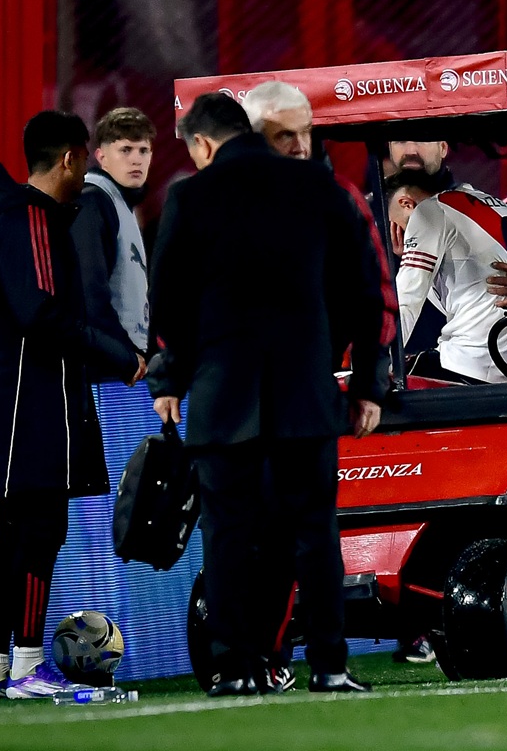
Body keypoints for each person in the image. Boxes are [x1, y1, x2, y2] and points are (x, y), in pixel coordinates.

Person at [148, 92, 387, 695]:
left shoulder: (190, 196)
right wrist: (363, 383)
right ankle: (330, 665)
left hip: (223, 396)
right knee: (314, 532)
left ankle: (235, 668)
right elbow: (363, 293)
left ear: (202, 144)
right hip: (306, 393)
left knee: (227, 534)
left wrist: (173, 377)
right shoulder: (322, 191)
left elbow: (169, 302)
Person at [0, 111, 143, 700]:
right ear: (69, 157)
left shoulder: (13, 219)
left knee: (12, 533)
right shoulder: (32, 220)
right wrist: (118, 356)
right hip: (30, 405)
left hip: (12, 404)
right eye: (86, 157)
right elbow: (42, 314)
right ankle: (26, 667)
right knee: (41, 528)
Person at [386, 169, 507, 384]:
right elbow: (458, 295)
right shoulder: (490, 203)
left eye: (393, 223)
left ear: (406, 204)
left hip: (471, 363)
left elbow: (405, 305)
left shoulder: (428, 212)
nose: (394, 231)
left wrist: (372, 367)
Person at [70, 108, 155, 383]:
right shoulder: (94, 201)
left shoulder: (123, 203)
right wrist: (122, 355)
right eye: (126, 150)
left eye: (143, 151)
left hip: (123, 361)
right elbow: (90, 290)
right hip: (103, 366)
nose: (136, 160)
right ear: (101, 156)